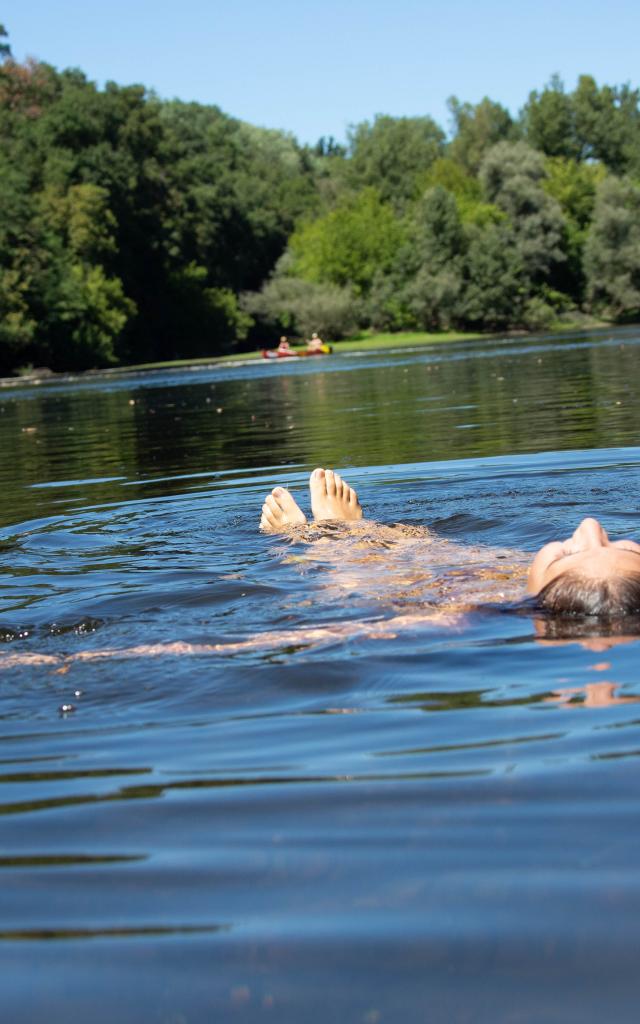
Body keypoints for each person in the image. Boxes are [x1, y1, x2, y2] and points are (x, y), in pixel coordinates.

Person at [260, 468, 640, 618]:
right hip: (479, 571)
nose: (591, 526)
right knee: (427, 544)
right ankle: (363, 531)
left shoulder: (461, 614)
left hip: (421, 590)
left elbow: (348, 630)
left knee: (361, 578)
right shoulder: (543, 588)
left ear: (537, 598)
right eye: (626, 548)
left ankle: (324, 541)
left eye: (566, 556)